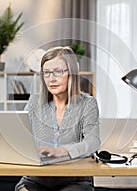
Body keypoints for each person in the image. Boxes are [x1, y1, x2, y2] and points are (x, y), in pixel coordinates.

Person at [15, 46, 100, 191]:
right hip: (35, 178)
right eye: (46, 73)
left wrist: (62, 151)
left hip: (75, 180)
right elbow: (21, 136)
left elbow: (93, 142)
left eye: (58, 72)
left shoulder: (88, 104)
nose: (51, 79)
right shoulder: (35, 102)